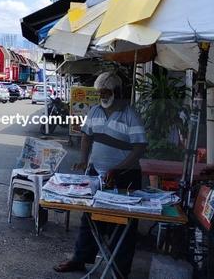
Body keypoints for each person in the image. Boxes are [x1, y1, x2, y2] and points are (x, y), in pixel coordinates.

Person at [53, 71, 147, 276]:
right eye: (100, 92)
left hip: (125, 176)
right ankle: (80, 259)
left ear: (116, 91)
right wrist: (83, 160)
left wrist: (118, 169)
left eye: (106, 92)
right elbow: (86, 137)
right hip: (97, 174)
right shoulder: (95, 111)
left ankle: (119, 270)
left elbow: (139, 148)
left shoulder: (130, 114)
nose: (102, 96)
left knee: (122, 225)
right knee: (90, 219)